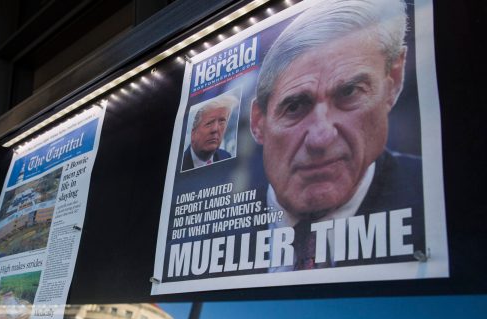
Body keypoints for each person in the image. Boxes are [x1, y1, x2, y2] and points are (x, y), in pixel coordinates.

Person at [249, 0, 423, 269]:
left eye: (349, 93)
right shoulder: (209, 234)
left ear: (394, 80)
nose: (321, 138)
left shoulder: (448, 210)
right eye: (294, 106)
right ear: (258, 121)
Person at [181, 94, 239, 171]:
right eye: (209, 123)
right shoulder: (181, 166)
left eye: (221, 122)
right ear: (193, 132)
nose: (215, 129)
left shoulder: (226, 156)